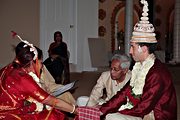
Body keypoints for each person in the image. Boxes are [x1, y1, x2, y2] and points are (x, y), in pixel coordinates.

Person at [99, 0, 177, 120]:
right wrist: (101, 110)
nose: (130, 51)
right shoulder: (139, 66)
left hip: (155, 115)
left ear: (144, 49)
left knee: (111, 117)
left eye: (133, 47)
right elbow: (124, 93)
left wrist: (116, 112)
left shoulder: (157, 73)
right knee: (99, 106)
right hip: (141, 109)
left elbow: (143, 107)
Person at [0, 33, 77, 119]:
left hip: (9, 108)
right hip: (9, 115)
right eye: (40, 62)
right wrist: (75, 110)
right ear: (33, 62)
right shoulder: (24, 79)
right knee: (54, 114)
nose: (41, 66)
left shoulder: (9, 67)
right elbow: (52, 101)